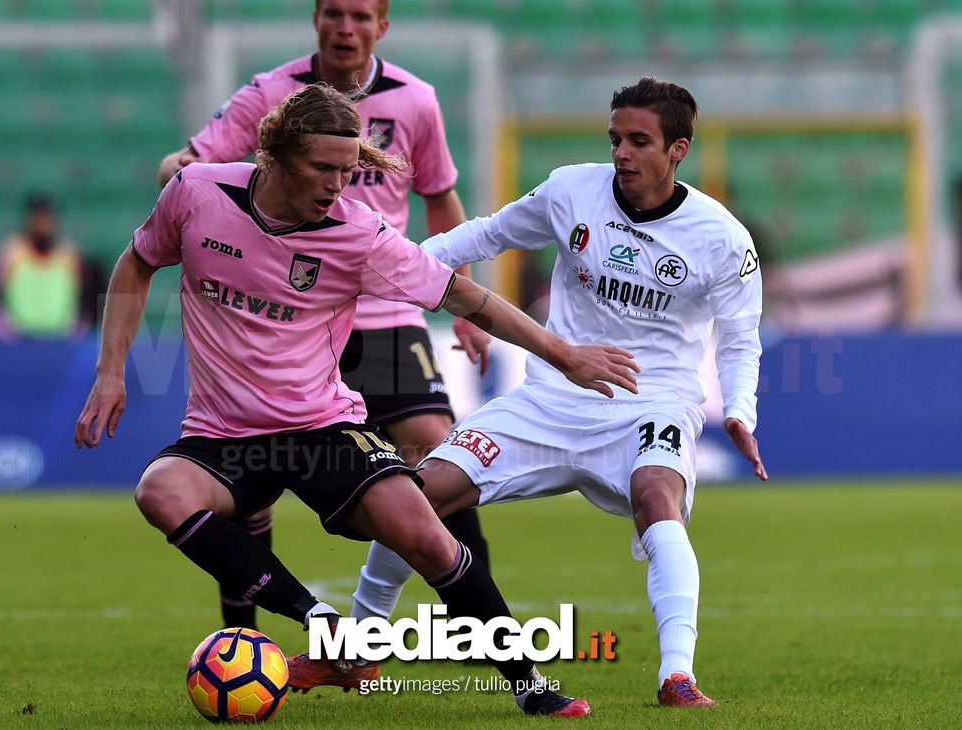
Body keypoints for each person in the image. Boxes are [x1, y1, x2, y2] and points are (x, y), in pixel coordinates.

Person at [76, 84, 639, 716]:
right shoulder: (198, 195)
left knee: (427, 535)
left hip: (322, 428)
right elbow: (136, 263)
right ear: (275, 155)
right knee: (160, 490)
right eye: (322, 168)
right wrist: (111, 372)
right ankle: (327, 625)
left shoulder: (358, 233)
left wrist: (565, 354)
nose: (336, 185)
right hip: (222, 433)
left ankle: (530, 686)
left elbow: (464, 296)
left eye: (348, 171)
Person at [336, 76, 769, 708]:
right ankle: (360, 649)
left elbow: (739, 339)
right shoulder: (572, 190)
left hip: (649, 405)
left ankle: (677, 676)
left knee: (658, 502)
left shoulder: (721, 237)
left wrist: (738, 410)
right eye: (615, 137)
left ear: (678, 150)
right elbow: (485, 234)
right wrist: (393, 266)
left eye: (639, 141)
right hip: (551, 398)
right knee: (417, 494)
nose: (621, 152)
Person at [157, 0, 494, 633]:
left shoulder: (416, 100)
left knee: (435, 446)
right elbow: (193, 162)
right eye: (335, 13)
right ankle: (246, 628)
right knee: (255, 461)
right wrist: (179, 175)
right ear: (316, 20)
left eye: (361, 16)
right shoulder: (270, 95)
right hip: (290, 313)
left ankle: (474, 619)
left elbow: (441, 198)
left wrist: (471, 305)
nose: (347, 28)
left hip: (383, 304)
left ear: (381, 27)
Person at [0, 192, 88, 339]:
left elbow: (84, 303)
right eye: (39, 217)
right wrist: (6, 336)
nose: (44, 223)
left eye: (48, 217)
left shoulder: (69, 254)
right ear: (29, 219)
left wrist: (73, 337)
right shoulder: (11, 251)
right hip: (19, 343)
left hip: (60, 343)